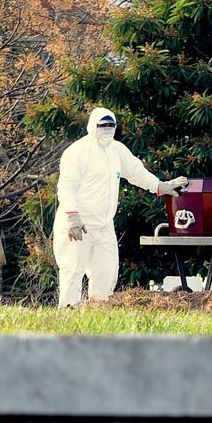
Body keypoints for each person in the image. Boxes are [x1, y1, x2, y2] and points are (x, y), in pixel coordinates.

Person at [54, 107, 188, 306]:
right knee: (72, 271)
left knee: (106, 273)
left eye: (111, 125)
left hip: (104, 225)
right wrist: (72, 216)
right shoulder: (77, 152)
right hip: (78, 223)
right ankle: (67, 313)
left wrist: (160, 186)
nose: (107, 129)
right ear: (93, 126)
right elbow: (66, 186)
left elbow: (136, 173)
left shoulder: (117, 150)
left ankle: (97, 313)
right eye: (102, 125)